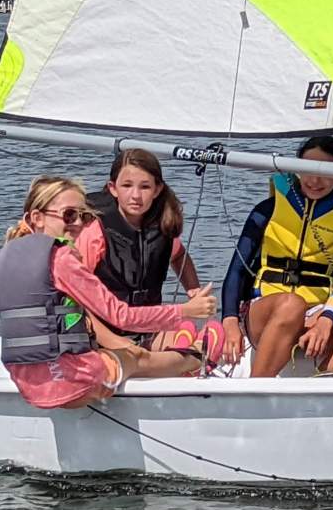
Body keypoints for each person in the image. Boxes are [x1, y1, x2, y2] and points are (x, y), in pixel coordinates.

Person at [0, 176, 217, 409]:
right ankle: (196, 358)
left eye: (86, 216)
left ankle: (179, 358)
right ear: (37, 218)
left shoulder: (6, 255)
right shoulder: (62, 258)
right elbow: (122, 316)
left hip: (27, 384)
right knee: (136, 357)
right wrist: (184, 311)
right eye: (70, 215)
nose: (79, 224)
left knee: (112, 349)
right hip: (74, 385)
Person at [220, 136, 333, 377]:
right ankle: (256, 389)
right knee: (291, 305)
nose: (315, 180)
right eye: (307, 170)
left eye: (325, 172)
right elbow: (236, 271)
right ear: (296, 169)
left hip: (315, 314)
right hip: (264, 311)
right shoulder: (266, 210)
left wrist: (327, 319)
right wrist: (229, 321)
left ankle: (315, 395)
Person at [76, 149, 224, 363]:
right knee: (174, 356)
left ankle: (186, 350)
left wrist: (193, 290)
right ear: (113, 188)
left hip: (147, 327)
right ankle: (187, 360)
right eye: (127, 186)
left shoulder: (161, 227)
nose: (136, 196)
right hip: (102, 333)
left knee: (211, 335)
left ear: (157, 190)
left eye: (145, 187)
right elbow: (75, 296)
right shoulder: (95, 232)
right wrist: (110, 340)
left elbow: (179, 256)